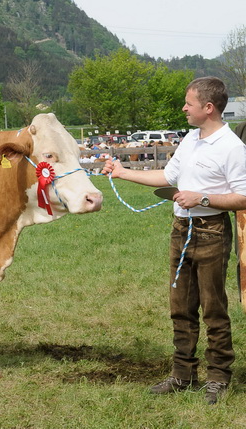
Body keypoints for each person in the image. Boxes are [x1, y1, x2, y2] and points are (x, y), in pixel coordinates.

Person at [102, 77, 246, 405]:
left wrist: (203, 198)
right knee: (180, 306)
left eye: (189, 103)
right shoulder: (191, 140)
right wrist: (123, 172)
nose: (183, 107)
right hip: (180, 231)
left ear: (208, 108)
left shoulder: (233, 148)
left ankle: (219, 377)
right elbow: (167, 177)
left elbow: (243, 197)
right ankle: (182, 375)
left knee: (213, 308)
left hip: (211, 232)